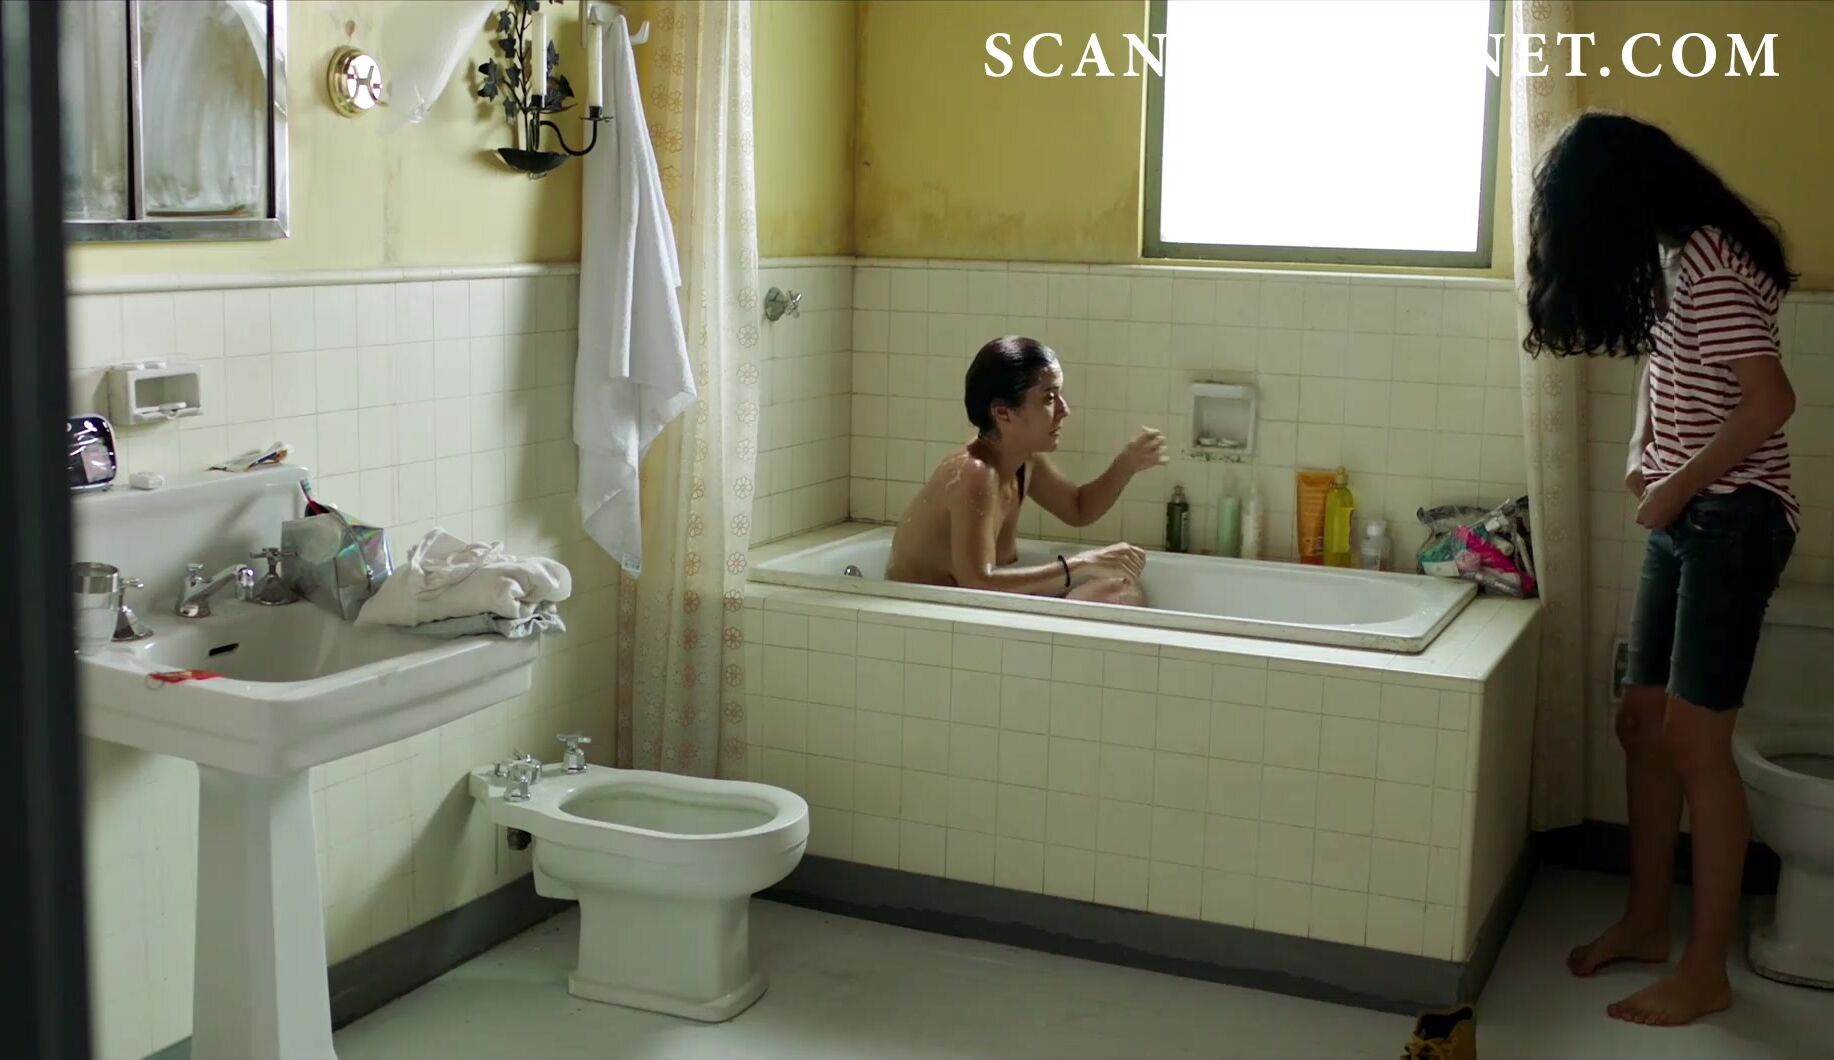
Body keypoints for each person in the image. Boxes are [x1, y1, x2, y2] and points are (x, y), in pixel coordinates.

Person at [1523, 112, 1799, 1027]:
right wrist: (1644, 454)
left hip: (1735, 519)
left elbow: (1770, 401)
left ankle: (1704, 971)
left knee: (1693, 744)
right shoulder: (1683, 255)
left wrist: (1675, 483)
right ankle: (1647, 923)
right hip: (1690, 514)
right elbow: (1668, 373)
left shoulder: (1713, 260)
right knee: (1640, 723)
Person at [886, 335, 1167, 603]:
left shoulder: (1023, 461)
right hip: (931, 615)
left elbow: (1078, 508)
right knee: (1111, 592)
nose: (1064, 410)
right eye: (1049, 398)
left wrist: (1127, 463)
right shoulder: (974, 473)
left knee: (1121, 591)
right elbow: (978, 583)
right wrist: (1082, 565)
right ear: (1003, 413)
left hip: (971, 607)